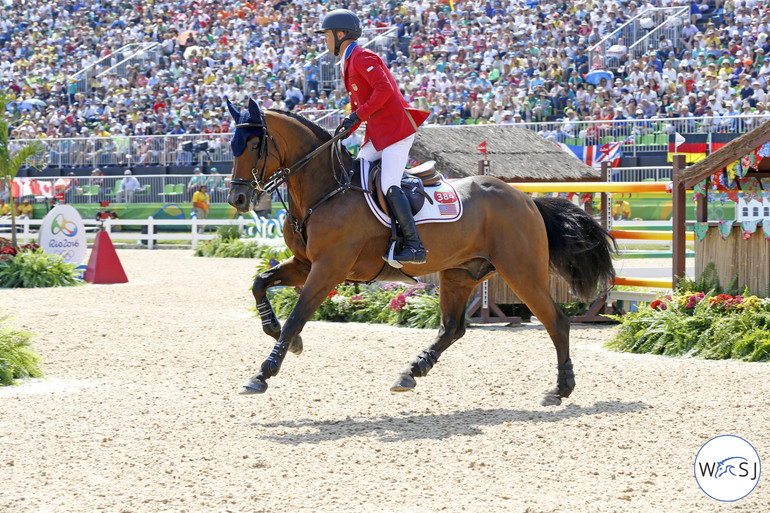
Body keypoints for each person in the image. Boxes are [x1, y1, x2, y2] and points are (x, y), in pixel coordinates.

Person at [316, 9, 430, 265]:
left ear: (341, 34)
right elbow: (362, 103)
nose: (325, 40)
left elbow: (383, 89)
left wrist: (356, 117)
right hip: (379, 133)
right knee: (355, 176)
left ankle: (414, 244)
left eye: (327, 35)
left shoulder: (362, 56)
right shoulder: (348, 60)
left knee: (389, 184)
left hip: (396, 130)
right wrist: (348, 130)